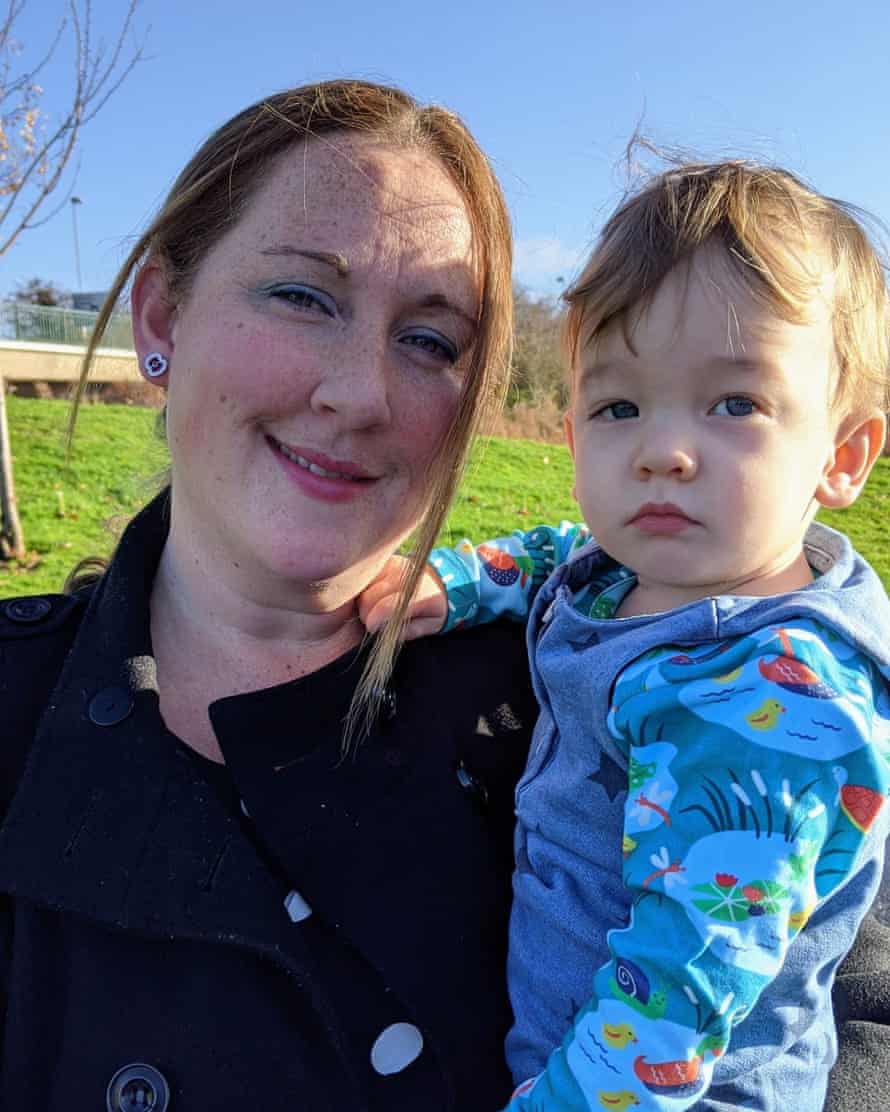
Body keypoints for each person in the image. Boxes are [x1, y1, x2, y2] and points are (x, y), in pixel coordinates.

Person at [0, 79, 542, 1111]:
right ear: (161, 314)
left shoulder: (574, 693)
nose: (362, 393)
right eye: (303, 296)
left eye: (429, 340)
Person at [361, 160, 890, 1109]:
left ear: (842, 455)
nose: (662, 449)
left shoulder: (773, 700)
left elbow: (680, 1002)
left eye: (736, 404)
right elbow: (564, 551)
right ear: (573, 439)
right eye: (619, 407)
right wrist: (464, 578)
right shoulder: (632, 572)